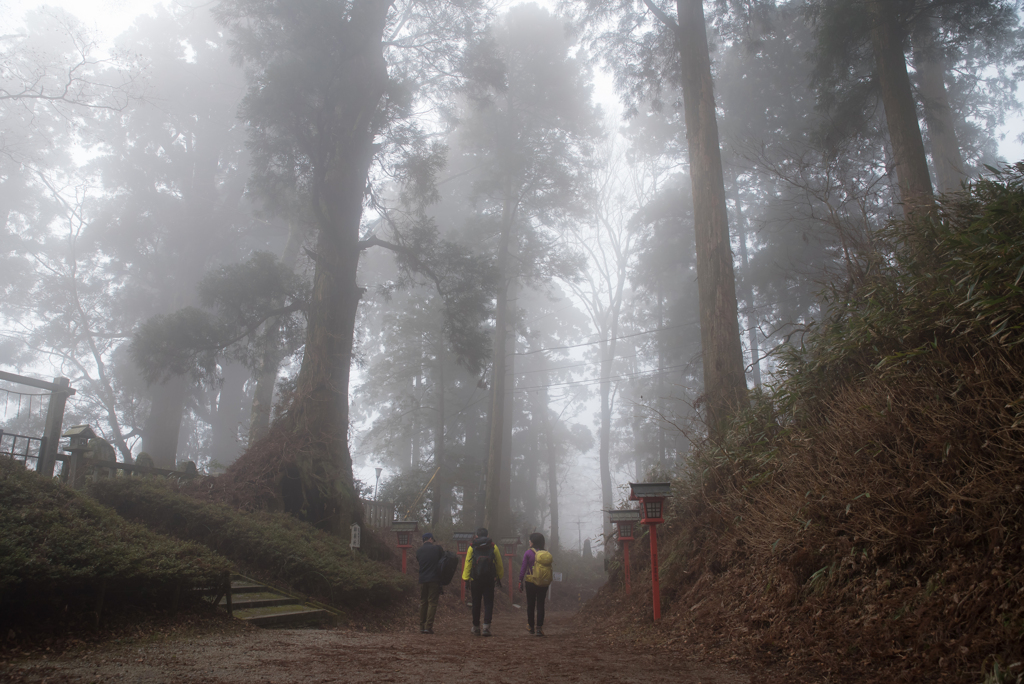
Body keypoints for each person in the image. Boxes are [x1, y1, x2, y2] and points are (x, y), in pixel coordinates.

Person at [462, 527, 504, 636]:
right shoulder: (493, 547)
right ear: (487, 535)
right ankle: (486, 627)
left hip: (476, 579)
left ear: (476, 535)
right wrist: (499, 576)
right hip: (489, 579)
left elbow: (468, 564)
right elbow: (499, 563)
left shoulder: (472, 547)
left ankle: (476, 627)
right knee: (488, 602)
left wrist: (466, 579)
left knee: (476, 602)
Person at [518, 532, 553, 636]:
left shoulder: (528, 553)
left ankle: (531, 626)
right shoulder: (546, 554)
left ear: (533, 542)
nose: (529, 542)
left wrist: (520, 580)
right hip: (543, 582)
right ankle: (539, 628)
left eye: (530, 540)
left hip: (530, 581)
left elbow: (523, 568)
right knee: (541, 604)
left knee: (531, 604)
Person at [416, 532, 445, 634]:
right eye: (432, 539)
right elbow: (444, 559)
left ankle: (421, 626)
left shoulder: (418, 551)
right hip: (434, 579)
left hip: (423, 579)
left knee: (423, 602)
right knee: (432, 602)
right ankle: (428, 627)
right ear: (430, 539)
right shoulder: (437, 549)